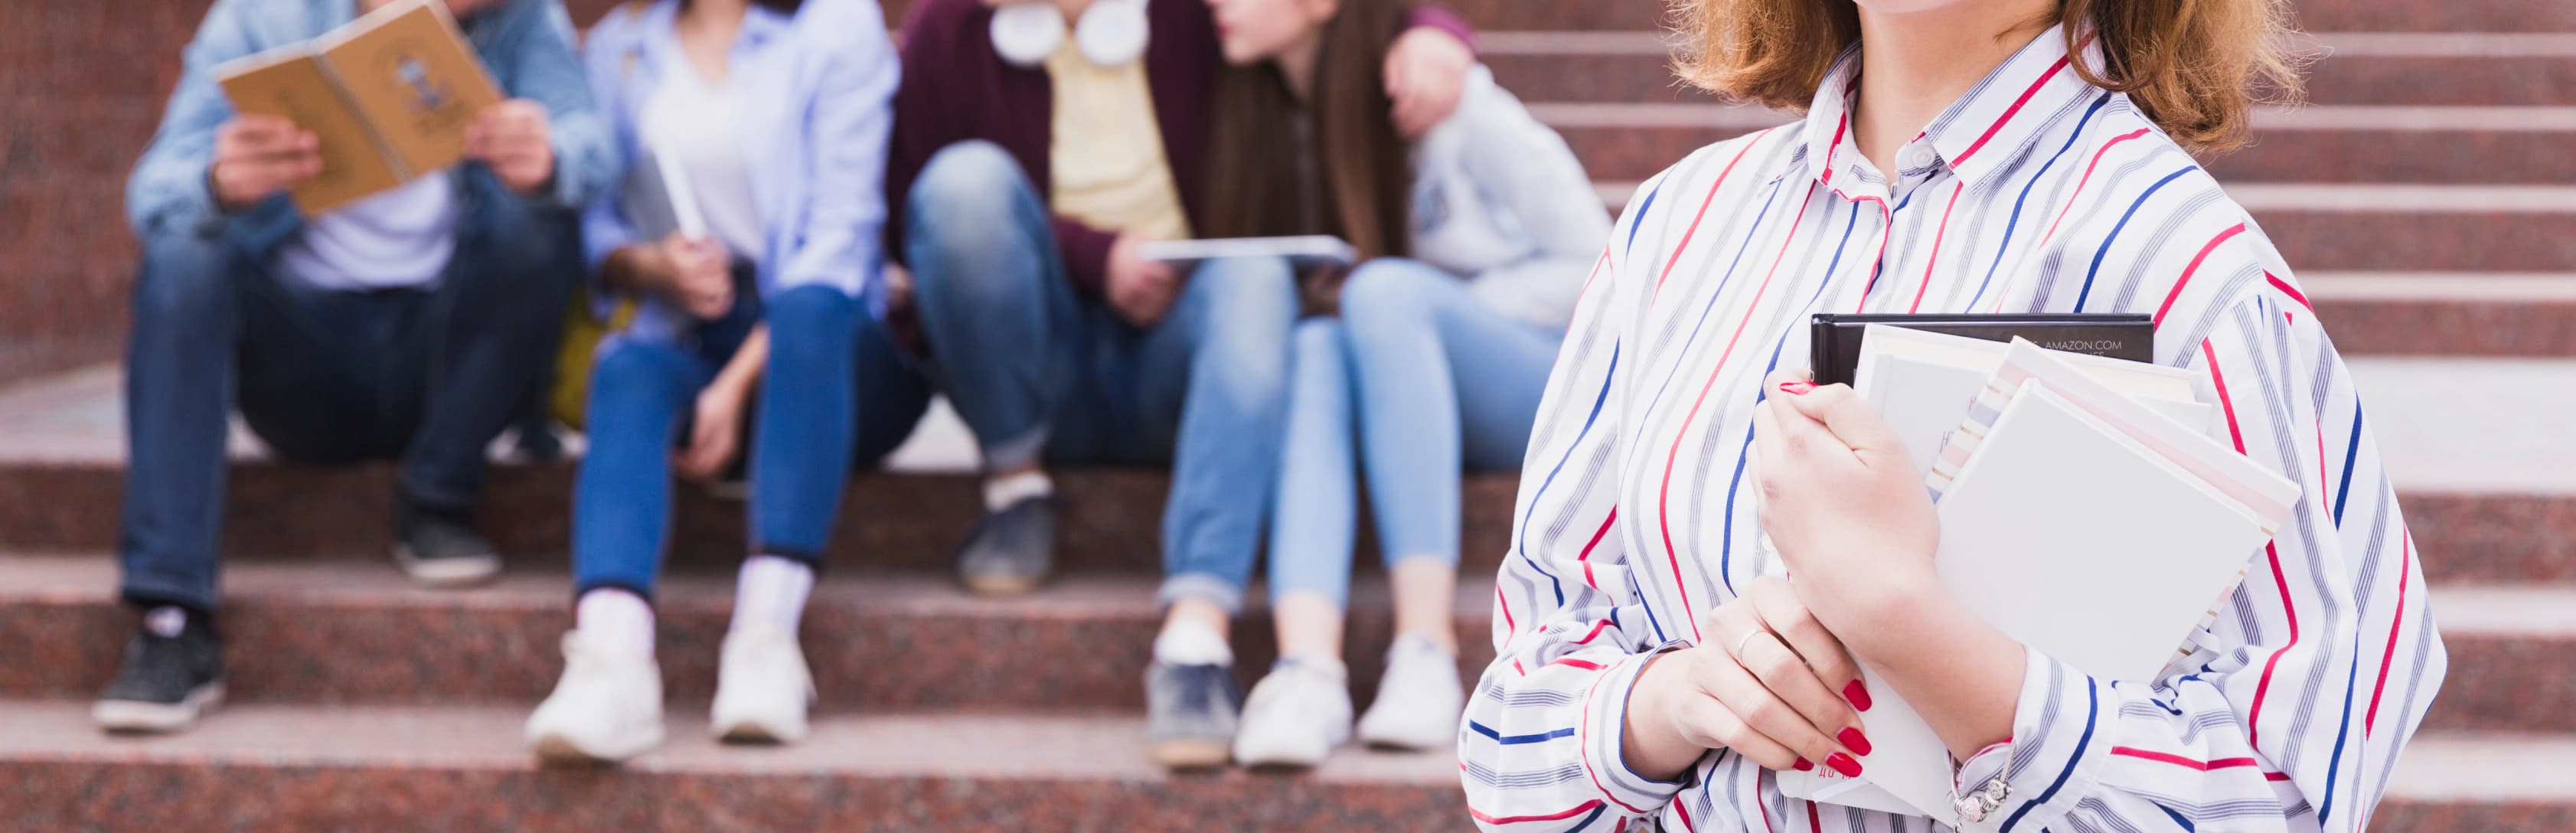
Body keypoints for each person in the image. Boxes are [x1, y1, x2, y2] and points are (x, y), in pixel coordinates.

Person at [1458, 0, 2453, 829]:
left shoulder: (2184, 273)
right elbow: (1510, 733)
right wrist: (1673, 699)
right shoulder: (1679, 231)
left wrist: (1914, 629)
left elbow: (2291, 794)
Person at [883, 0, 1479, 768]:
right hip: (1034, 370)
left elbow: (1315, 14)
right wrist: (1097, 256)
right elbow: (911, 228)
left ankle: (1195, 639)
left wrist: (1434, 28)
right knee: (964, 185)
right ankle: (1016, 488)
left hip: (1184, 358)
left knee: (1253, 272)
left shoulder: (1201, 13)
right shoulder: (946, 30)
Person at [99, 0, 619, 734]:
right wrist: (218, 180)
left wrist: (551, 156)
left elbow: (592, 143)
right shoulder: (263, 17)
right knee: (182, 258)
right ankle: (170, 618)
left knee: (538, 220)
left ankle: (438, 499)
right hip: (304, 364)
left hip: (449, 374)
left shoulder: (523, 21)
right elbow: (152, 192)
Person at [1193, 0, 1609, 767]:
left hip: (1541, 380)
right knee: (1318, 342)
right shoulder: (1274, 116)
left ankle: (1426, 646)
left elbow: (1600, 262)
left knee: (1383, 295)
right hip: (1405, 378)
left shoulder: (1458, 104)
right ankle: (1307, 667)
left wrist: (1428, 313)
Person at [517, 0, 913, 763]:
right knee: (628, 367)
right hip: (696, 318)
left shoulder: (835, 26)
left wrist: (731, 389)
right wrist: (650, 263)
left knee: (806, 309)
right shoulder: (623, 47)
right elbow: (600, 228)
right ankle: (611, 656)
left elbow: (841, 240)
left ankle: (766, 639)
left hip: (832, 345)